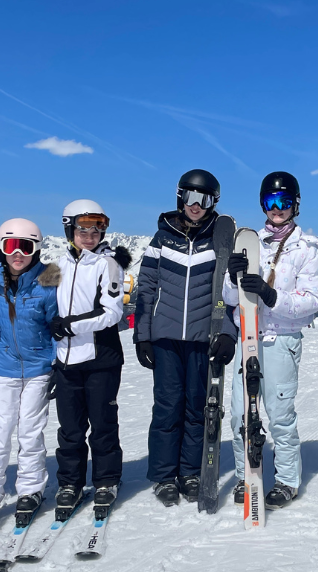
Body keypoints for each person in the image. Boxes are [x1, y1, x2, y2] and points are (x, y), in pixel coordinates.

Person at [133, 170, 237, 506]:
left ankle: (191, 472)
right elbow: (145, 289)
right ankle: (164, 476)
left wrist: (227, 333)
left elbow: (229, 293)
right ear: (180, 197)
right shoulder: (161, 239)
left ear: (213, 203)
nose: (196, 205)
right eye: (191, 197)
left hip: (201, 338)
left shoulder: (219, 240)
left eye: (204, 199)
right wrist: (142, 335)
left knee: (197, 408)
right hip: (164, 337)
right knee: (167, 408)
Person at [222, 171, 318, 509]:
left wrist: (270, 294)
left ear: (295, 205)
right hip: (247, 337)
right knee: (240, 414)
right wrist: (232, 274)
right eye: (270, 201)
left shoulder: (307, 250)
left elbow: (312, 302)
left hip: (281, 340)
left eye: (283, 202)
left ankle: (286, 480)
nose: (277, 208)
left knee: (279, 414)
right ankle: (245, 474)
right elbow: (229, 297)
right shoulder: (251, 244)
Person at [0, 219, 59, 528]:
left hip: (38, 367)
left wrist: (59, 365)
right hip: (5, 366)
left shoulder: (46, 284)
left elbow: (56, 327)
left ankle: (30, 489)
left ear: (36, 250)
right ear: (2, 249)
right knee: (1, 429)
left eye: (26, 246)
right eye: (11, 246)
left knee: (30, 430)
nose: (18, 253)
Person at [52, 200, 131, 521]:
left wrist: (69, 325)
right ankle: (70, 483)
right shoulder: (57, 264)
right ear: (69, 228)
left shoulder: (108, 264)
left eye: (97, 228)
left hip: (101, 358)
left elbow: (112, 313)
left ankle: (106, 480)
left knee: (101, 425)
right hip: (66, 362)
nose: (90, 235)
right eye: (83, 228)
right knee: (69, 429)